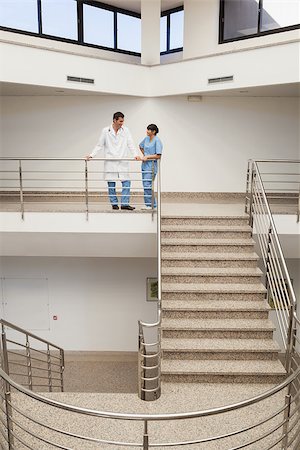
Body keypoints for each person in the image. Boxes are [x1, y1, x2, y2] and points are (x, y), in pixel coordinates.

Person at [86, 112, 140, 211]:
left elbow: (130, 143)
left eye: (123, 121)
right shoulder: (106, 131)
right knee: (111, 184)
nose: (122, 123)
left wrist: (135, 155)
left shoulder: (126, 130)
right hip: (110, 161)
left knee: (126, 182)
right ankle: (114, 203)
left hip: (122, 160)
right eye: (120, 121)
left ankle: (124, 204)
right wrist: (91, 155)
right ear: (114, 120)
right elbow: (99, 145)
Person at [139, 124, 163, 210]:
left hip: (152, 166)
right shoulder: (146, 139)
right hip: (145, 165)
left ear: (154, 131)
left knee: (147, 185)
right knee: (145, 185)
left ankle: (153, 205)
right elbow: (140, 146)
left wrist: (147, 157)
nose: (147, 131)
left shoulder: (157, 141)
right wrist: (144, 154)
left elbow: (158, 155)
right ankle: (148, 204)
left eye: (149, 130)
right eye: (147, 129)